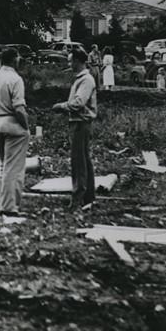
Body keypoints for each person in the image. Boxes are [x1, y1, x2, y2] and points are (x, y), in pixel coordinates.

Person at [0, 47, 30, 219]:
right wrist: (26, 126)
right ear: (14, 60)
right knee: (14, 167)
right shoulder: (15, 79)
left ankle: (2, 202)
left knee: (3, 164)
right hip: (11, 121)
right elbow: (19, 108)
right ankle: (10, 206)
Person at [52, 48, 98, 212]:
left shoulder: (86, 80)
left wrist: (61, 106)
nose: (69, 64)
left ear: (79, 61)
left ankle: (78, 198)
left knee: (78, 161)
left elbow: (79, 102)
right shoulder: (81, 79)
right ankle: (88, 197)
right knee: (84, 159)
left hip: (80, 123)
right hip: (79, 122)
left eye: (71, 61)